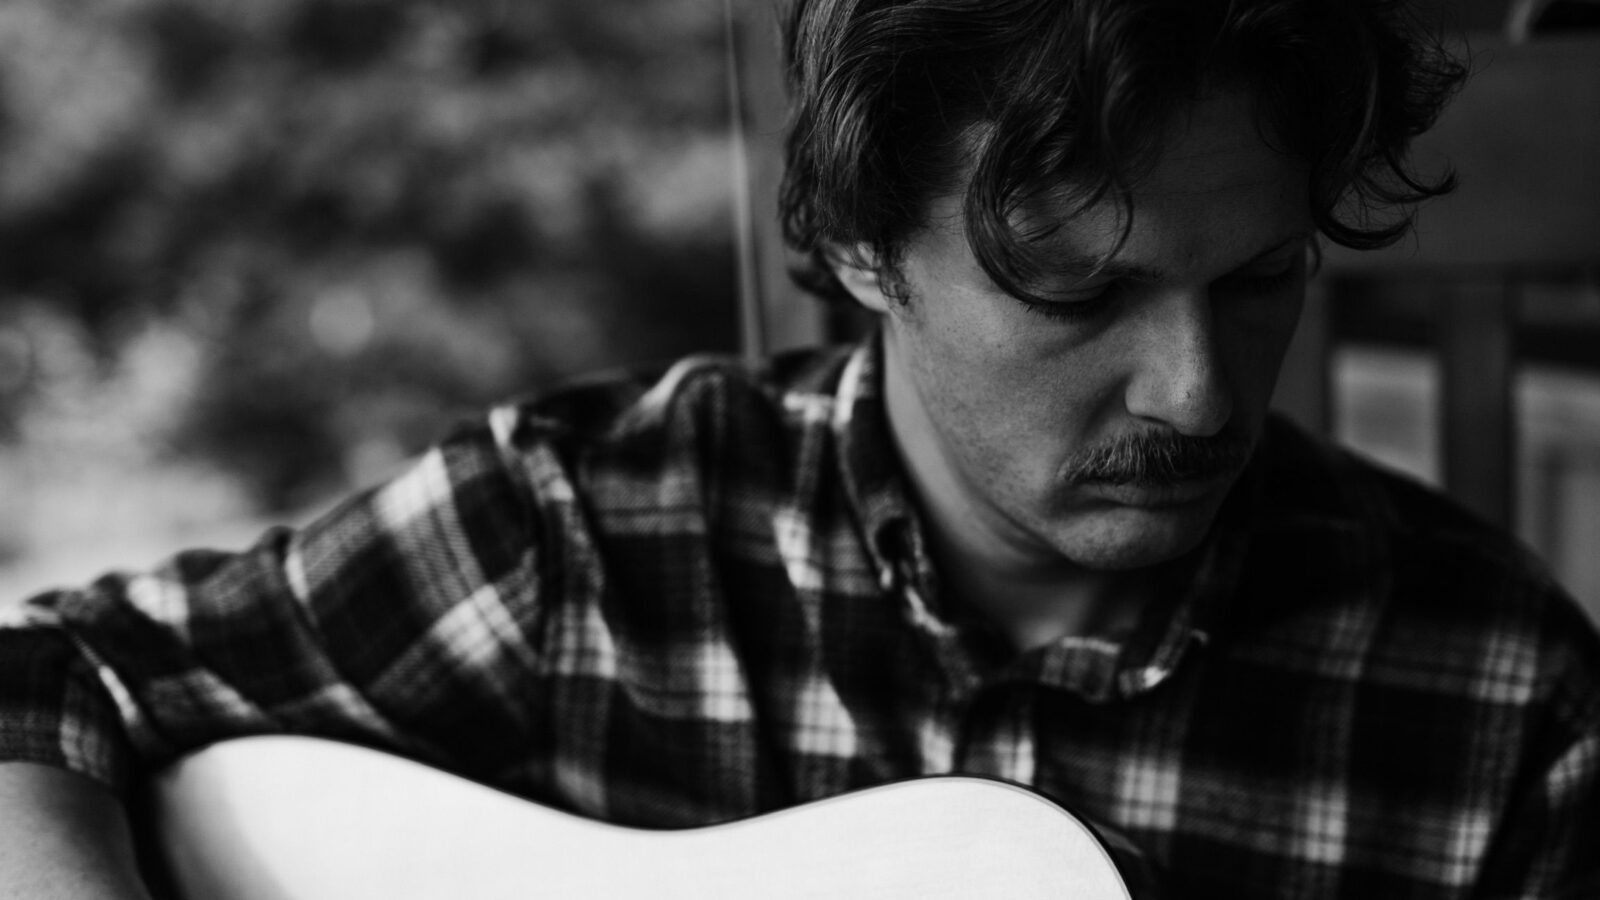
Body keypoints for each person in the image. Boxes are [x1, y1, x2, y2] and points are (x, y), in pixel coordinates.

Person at [2, 0, 1597, 897]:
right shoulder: (584, 535)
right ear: (857, 251)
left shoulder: (1502, 711)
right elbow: (47, 678)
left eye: (1257, 281)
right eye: (1077, 291)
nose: (1193, 395)